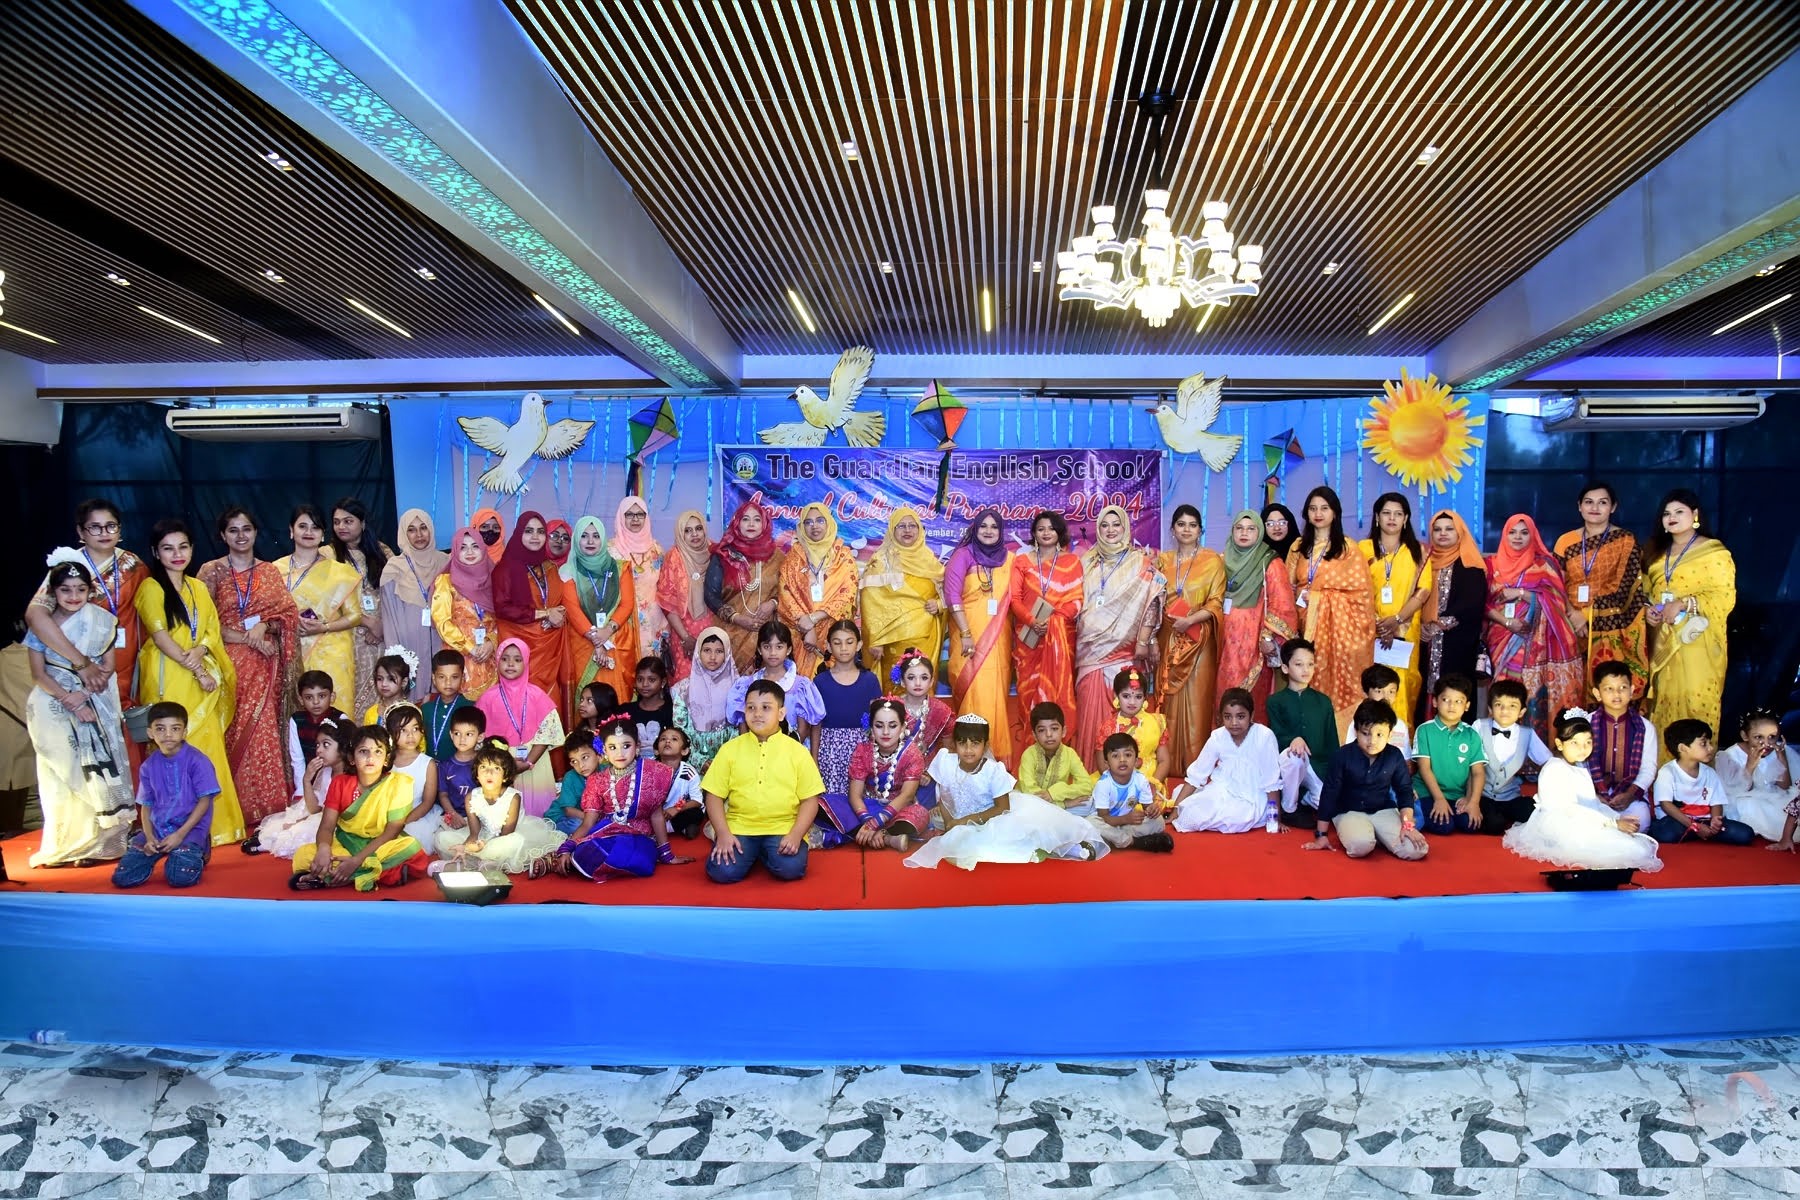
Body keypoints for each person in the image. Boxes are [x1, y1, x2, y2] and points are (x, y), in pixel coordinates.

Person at [136, 519, 244, 845]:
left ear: (192, 549)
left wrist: (201, 651)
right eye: (168, 548)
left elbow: (211, 630)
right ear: (156, 552)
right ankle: (173, 827)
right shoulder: (151, 588)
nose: (177, 554)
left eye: (183, 547)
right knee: (172, 745)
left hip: (199, 674)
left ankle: (217, 827)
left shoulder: (198, 587)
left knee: (207, 743)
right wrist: (197, 669)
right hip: (169, 675)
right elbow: (161, 637)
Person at [23, 502, 150, 777]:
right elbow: (36, 616)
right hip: (73, 668)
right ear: (81, 532)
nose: (104, 533)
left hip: (124, 666)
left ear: (120, 530)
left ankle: (134, 798)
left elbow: (147, 614)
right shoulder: (67, 568)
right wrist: (81, 664)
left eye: (111, 526)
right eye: (95, 527)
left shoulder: (134, 565)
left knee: (126, 730)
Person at [23, 556, 134, 867]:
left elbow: (108, 668)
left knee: (96, 775)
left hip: (95, 703)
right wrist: (68, 698)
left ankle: (101, 845)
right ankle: (66, 845)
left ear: (90, 591)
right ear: (52, 592)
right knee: (61, 774)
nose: (73, 596)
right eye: (66, 590)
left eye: (80, 589)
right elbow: (38, 673)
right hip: (52, 705)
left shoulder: (103, 621)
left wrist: (83, 697)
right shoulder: (42, 626)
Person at [198, 507, 300, 833]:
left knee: (264, 731)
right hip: (227, 665)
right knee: (232, 731)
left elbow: (289, 614)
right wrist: (249, 638)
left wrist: (265, 625)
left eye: (246, 529)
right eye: (233, 530)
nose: (241, 536)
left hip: (266, 666)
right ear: (222, 535)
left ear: (256, 532)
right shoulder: (211, 572)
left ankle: (268, 806)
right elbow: (204, 622)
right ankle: (235, 809)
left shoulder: (268, 571)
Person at [903, 715, 1109, 869]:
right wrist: (951, 823)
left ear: (985, 745)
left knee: (1024, 834)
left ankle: (1070, 847)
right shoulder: (945, 761)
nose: (968, 749)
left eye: (975, 743)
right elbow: (944, 796)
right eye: (962, 743)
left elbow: (1002, 808)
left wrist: (966, 821)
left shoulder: (993, 770)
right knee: (958, 844)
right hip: (958, 819)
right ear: (955, 744)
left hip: (994, 818)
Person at [1503, 709, 1663, 872]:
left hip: (1584, 817)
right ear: (1560, 744)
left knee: (1636, 846)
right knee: (1629, 850)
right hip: (1562, 824)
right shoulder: (1554, 769)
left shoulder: (1579, 765)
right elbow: (1570, 809)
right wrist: (1612, 823)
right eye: (1575, 743)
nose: (1583, 748)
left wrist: (1616, 817)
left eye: (1588, 742)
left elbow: (1592, 803)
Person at [533, 716, 688, 879]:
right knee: (588, 849)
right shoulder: (597, 781)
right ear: (604, 751)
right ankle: (559, 859)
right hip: (606, 834)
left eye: (626, 746)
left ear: (637, 747)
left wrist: (666, 854)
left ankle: (567, 863)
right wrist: (566, 848)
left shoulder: (652, 772)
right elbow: (588, 823)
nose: (619, 753)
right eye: (612, 747)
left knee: (637, 858)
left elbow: (656, 815)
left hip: (640, 837)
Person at [703, 679, 826, 883]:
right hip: (739, 827)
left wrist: (796, 835)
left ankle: (759, 854)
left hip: (783, 827)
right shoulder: (730, 750)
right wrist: (723, 834)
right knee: (722, 872)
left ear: (781, 713)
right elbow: (713, 795)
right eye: (751, 708)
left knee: (790, 869)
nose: (757, 714)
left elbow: (810, 800)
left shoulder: (798, 752)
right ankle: (754, 853)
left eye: (766, 708)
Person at [1073, 504, 1164, 769]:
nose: (1110, 530)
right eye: (1104, 525)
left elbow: (1154, 596)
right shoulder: (1086, 562)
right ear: (1098, 529)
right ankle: (1092, 770)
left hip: (1125, 652)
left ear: (1125, 528)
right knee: (1090, 712)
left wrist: (1146, 640)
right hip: (1089, 652)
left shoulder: (1140, 562)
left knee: (1125, 709)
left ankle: (1124, 773)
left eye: (1116, 525)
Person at [1642, 489, 1735, 740]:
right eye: (1666, 513)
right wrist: (1649, 611)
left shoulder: (1713, 552)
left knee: (1696, 704)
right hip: (1663, 640)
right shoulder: (1655, 552)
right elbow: (1647, 593)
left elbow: (1725, 597)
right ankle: (1665, 764)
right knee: (1663, 704)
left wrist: (1684, 604)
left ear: (1695, 515)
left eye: (1679, 512)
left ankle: (1697, 762)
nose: (1671, 517)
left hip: (1697, 642)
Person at [290, 724, 431, 890]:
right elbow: (327, 826)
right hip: (346, 842)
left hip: (381, 843)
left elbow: (392, 830)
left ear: (387, 758)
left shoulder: (399, 784)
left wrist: (356, 861)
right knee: (302, 855)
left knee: (411, 847)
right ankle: (383, 872)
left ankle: (333, 876)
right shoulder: (340, 783)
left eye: (378, 751)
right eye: (363, 751)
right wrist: (323, 849)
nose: (371, 757)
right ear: (351, 758)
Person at [1485, 513, 1584, 742]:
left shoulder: (1544, 564)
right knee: (1503, 691)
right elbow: (1484, 603)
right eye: (1512, 532)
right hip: (1501, 636)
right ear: (1504, 535)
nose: (1517, 537)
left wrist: (1521, 593)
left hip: (1536, 642)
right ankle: (1501, 743)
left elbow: (1557, 601)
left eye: (1524, 532)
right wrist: (1507, 622)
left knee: (1531, 693)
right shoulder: (1491, 564)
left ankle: (1532, 746)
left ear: (1533, 536)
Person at [1287, 486, 1376, 721]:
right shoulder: (1298, 547)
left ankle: (1340, 730)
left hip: (1340, 633)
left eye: (1324, 508)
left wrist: (1319, 598)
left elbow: (1361, 596)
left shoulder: (1348, 549)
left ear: (1335, 512)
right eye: (1313, 508)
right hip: (1304, 628)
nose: (1318, 513)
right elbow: (1287, 587)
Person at [1553, 482, 1649, 699]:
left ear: (1613, 507)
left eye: (1602, 502)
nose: (1595, 507)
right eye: (1589, 502)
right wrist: (1572, 615)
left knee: (1607, 688)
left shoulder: (1626, 541)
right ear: (1579, 506)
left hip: (1611, 627)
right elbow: (1556, 583)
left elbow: (1624, 587)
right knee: (1570, 692)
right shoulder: (1565, 541)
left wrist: (1586, 615)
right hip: (1568, 624)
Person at [1304, 700, 1428, 861]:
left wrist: (1407, 825)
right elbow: (1329, 794)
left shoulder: (1394, 756)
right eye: (1365, 733)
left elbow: (1404, 791)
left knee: (1417, 850)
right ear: (1356, 731)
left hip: (1383, 810)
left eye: (1379, 735)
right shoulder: (1342, 755)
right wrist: (1321, 835)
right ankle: (1368, 834)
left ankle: (1378, 834)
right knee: (1360, 846)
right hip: (1349, 811)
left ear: (1390, 734)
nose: (1372, 741)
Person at [112, 702, 217, 888]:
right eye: (160, 729)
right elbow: (146, 805)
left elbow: (205, 801)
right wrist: (149, 837)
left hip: (189, 830)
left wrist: (180, 835)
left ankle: (197, 848)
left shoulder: (198, 761)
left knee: (179, 877)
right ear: (150, 733)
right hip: (158, 829)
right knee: (123, 877)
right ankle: (167, 852)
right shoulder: (148, 766)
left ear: (184, 732)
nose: (168, 734)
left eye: (175, 728)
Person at [1154, 504, 1224, 774]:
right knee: (1168, 700)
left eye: (1192, 525)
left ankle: (1197, 767)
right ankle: (1167, 764)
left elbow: (1216, 602)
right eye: (1181, 524)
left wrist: (1191, 620)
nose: (1186, 529)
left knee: (1198, 702)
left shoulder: (1212, 561)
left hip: (1200, 641)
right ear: (1172, 529)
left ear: (1200, 530)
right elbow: (1153, 600)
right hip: (1169, 638)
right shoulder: (1162, 561)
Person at [945, 507, 1019, 763]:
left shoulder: (1010, 560)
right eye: (983, 526)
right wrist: (966, 633)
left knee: (995, 697)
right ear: (975, 529)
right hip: (969, 639)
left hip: (999, 641)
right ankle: (969, 760)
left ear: (1001, 531)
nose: (988, 531)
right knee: (973, 696)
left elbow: (1020, 597)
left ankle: (995, 762)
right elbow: (952, 595)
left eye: (994, 526)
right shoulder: (962, 556)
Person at [275, 505, 363, 705]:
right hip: (288, 650)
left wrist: (324, 627)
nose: (308, 532)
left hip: (331, 651)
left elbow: (355, 615)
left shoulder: (340, 573)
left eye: (315, 527)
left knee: (331, 712)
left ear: (323, 534)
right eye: (302, 526)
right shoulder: (274, 570)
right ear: (291, 530)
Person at [435, 738, 562, 873]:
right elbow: (474, 833)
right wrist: (465, 847)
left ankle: (479, 862)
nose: (488, 773)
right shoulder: (471, 797)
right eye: (483, 767)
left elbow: (506, 834)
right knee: (443, 838)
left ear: (505, 776)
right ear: (477, 775)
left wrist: (483, 845)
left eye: (496, 768)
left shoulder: (513, 797)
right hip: (483, 835)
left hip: (507, 836)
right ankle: (479, 861)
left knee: (515, 841)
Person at [1216, 510, 1297, 721]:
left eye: (1251, 529)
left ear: (1259, 532)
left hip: (1254, 643)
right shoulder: (1221, 560)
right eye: (1239, 528)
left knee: (1251, 700)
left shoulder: (1269, 562)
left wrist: (1268, 637)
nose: (1244, 533)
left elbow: (1282, 603)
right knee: (1222, 695)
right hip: (1223, 641)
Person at [493, 511, 579, 703]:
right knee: (522, 700)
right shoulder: (505, 568)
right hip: (519, 647)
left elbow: (558, 600)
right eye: (529, 531)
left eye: (540, 531)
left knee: (549, 700)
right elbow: (502, 609)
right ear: (519, 533)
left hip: (549, 647)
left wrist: (557, 614)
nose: (535, 536)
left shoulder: (549, 566)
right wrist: (545, 614)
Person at [1170, 687, 1281, 835]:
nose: (1234, 722)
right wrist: (1176, 810)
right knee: (1190, 812)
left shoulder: (1264, 736)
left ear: (1252, 715)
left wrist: (1276, 820)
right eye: (1228, 717)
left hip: (1251, 796)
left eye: (1240, 716)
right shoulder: (1218, 736)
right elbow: (1197, 774)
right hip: (1220, 789)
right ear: (1221, 716)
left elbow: (1271, 781)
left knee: (1237, 819)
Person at [475, 638, 566, 817]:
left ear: (526, 662)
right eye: (505, 659)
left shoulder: (537, 695)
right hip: (500, 765)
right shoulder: (487, 698)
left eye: (517, 659)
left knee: (539, 816)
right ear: (497, 661)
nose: (510, 664)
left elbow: (547, 734)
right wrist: (505, 765)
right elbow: (480, 737)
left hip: (535, 763)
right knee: (505, 816)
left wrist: (528, 762)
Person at [1009, 510, 1084, 725]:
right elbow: (1015, 599)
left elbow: (1077, 600)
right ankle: (1030, 740)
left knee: (1057, 690)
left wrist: (1052, 623)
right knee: (1028, 692)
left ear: (1059, 532)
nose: (1046, 533)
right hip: (1029, 640)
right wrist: (1033, 622)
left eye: (1051, 528)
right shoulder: (1022, 561)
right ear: (1034, 533)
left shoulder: (1072, 562)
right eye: (1041, 529)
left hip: (1061, 639)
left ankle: (1059, 739)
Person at [1359, 493, 1428, 723]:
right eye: (1386, 513)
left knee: (1403, 689)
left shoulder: (1419, 552)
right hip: (1370, 631)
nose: (1392, 518)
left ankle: (1400, 742)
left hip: (1406, 633)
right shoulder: (1363, 549)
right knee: (1372, 686)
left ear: (1405, 519)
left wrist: (1396, 621)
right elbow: (1356, 590)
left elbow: (1423, 592)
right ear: (1377, 517)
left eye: (1398, 514)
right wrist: (1379, 624)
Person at [832, 698, 933, 852]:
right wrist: (867, 820)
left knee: (920, 814)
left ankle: (867, 834)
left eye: (892, 726)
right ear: (871, 728)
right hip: (867, 806)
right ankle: (887, 838)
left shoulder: (911, 753)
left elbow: (907, 795)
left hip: (898, 808)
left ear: (903, 727)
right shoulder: (863, 750)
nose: (885, 732)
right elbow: (855, 794)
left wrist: (877, 822)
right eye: (879, 726)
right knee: (827, 803)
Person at [861, 506, 948, 685]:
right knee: (895, 687)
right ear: (892, 531)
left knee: (922, 686)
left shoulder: (929, 560)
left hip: (926, 638)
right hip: (892, 641)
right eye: (901, 526)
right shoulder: (881, 561)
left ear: (920, 530)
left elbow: (949, 592)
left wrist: (940, 604)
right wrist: (876, 639)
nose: (907, 530)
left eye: (912, 526)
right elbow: (870, 602)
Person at [561, 515, 637, 714]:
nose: (590, 541)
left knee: (616, 694)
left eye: (596, 536)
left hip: (615, 639)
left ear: (603, 539)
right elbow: (572, 609)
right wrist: (597, 640)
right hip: (583, 643)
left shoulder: (620, 568)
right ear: (576, 539)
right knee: (586, 696)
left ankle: (617, 730)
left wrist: (607, 631)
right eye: (584, 536)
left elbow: (627, 604)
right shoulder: (568, 571)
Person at [1418, 511, 1487, 723]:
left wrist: (1438, 625)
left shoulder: (1470, 564)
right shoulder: (1424, 562)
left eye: (1449, 529)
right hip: (1424, 641)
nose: (1443, 533)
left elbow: (1472, 604)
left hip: (1457, 643)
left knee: (1456, 690)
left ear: (1460, 533)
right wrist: (1421, 626)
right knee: (1421, 689)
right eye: (1437, 529)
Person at [778, 501, 858, 676]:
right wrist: (807, 627)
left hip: (835, 633)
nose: (814, 526)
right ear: (802, 527)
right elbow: (786, 593)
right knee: (803, 682)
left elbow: (848, 593)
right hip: (801, 634)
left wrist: (813, 618)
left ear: (829, 523)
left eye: (820, 520)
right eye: (808, 522)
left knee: (833, 682)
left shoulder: (843, 556)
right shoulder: (794, 557)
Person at [329, 499, 393, 717]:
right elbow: (327, 600)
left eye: (348, 521)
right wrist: (367, 622)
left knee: (383, 686)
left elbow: (395, 592)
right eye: (337, 522)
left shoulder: (383, 551)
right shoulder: (328, 555)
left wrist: (382, 625)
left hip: (382, 634)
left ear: (363, 523)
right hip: (348, 634)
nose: (341, 527)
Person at [257, 715, 351, 860]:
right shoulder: (326, 772)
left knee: (299, 833)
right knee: (284, 826)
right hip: (322, 816)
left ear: (343, 748)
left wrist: (304, 821)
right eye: (318, 745)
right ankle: (263, 841)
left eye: (326, 745)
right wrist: (307, 780)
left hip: (337, 823)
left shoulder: (350, 777)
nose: (319, 750)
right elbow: (314, 809)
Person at [378, 509, 449, 701]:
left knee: (442, 693)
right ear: (404, 533)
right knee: (411, 700)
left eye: (423, 528)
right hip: (408, 645)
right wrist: (396, 656)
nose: (419, 534)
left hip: (441, 640)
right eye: (411, 529)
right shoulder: (394, 568)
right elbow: (389, 616)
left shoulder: (446, 563)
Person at [707, 499, 785, 671]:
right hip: (730, 633)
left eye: (757, 519)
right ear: (737, 523)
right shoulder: (724, 555)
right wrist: (737, 618)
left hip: (767, 637)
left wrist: (773, 604)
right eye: (745, 519)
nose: (751, 524)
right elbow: (710, 595)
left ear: (764, 524)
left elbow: (788, 591)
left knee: (765, 685)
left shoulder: (777, 557)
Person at [1650, 719, 1754, 845]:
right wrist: (1694, 826)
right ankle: (1696, 832)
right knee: (1667, 833)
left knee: (1745, 834)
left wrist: (1715, 821)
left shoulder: (1710, 773)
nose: (1711, 748)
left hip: (1704, 820)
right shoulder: (1667, 772)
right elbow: (1666, 805)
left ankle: (1700, 833)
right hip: (1678, 820)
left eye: (1710, 742)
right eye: (1703, 744)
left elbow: (1716, 803)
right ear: (1683, 748)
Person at [1268, 639, 1335, 827]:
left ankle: (1304, 798)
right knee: (1296, 757)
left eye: (1310, 664)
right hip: (1289, 764)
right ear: (1285, 668)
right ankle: (1289, 809)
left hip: (1318, 765)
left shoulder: (1323, 701)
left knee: (1331, 808)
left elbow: (1331, 740)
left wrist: (1335, 772)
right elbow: (1275, 734)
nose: (1306, 670)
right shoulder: (1275, 701)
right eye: (1299, 664)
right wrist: (1293, 739)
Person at [1585, 661, 1658, 833]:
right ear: (1597, 693)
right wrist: (1595, 795)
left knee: (1640, 823)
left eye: (1623, 688)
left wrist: (1630, 795)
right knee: (1583, 818)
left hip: (1629, 794)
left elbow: (1649, 769)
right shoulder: (1586, 724)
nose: (1616, 694)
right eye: (1609, 689)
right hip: (1594, 793)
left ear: (1632, 691)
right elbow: (1581, 765)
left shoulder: (1645, 727)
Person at [1473, 679, 1552, 834]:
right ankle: (1497, 817)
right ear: (1490, 708)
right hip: (1483, 795)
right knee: (1494, 825)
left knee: (1536, 813)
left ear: (1522, 712)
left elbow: (1548, 761)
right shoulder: (1479, 726)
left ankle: (1505, 814)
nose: (1505, 710)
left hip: (1511, 796)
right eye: (1499, 705)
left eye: (1512, 706)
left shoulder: (1527, 734)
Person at [813, 620, 881, 798]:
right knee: (833, 802)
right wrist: (814, 759)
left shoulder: (870, 680)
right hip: (829, 752)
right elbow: (816, 725)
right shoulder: (820, 682)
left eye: (849, 642)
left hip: (862, 749)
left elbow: (877, 721)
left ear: (859, 645)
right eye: (837, 643)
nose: (843, 648)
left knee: (861, 799)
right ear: (828, 646)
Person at [726, 621, 827, 741]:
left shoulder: (800, 686)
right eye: (767, 647)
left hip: (791, 748)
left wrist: (782, 750)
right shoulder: (746, 686)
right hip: (756, 749)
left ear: (788, 649)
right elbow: (743, 727)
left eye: (779, 647)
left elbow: (803, 729)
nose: (773, 653)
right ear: (759, 649)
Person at [1413, 673, 1486, 836]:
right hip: (1428, 792)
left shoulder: (1471, 734)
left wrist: (1472, 801)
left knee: (1470, 825)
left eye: (1459, 701)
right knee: (1444, 826)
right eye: (1446, 699)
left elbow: (1477, 772)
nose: (1452, 705)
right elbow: (1424, 768)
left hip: (1456, 795)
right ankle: (1419, 806)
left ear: (1467, 705)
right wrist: (1439, 799)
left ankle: (1450, 809)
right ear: (1435, 702)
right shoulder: (1425, 730)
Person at [431, 527, 499, 699]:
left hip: (490, 655)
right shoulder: (446, 581)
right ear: (455, 550)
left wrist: (491, 643)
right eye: (463, 547)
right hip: (458, 658)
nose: (469, 552)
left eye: (475, 546)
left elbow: (503, 618)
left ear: (483, 548)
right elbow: (442, 622)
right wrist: (470, 648)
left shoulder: (495, 577)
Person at [1716, 709, 1800, 842]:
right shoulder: (1729, 756)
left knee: (1789, 806)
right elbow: (1737, 791)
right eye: (1758, 737)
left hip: (1774, 796)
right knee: (1750, 805)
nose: (1766, 743)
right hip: (1744, 797)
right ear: (1745, 736)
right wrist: (1750, 765)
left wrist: (1782, 758)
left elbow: (1785, 788)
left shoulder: (1778, 750)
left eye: (1772, 737)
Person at [1087, 733, 1174, 852]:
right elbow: (1103, 817)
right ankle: (1135, 842)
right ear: (1107, 763)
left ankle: (1115, 839)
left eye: (1128, 755)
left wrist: (1152, 810)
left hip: (1125, 826)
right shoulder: (1103, 784)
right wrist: (1125, 819)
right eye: (1115, 756)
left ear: (1136, 761)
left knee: (1158, 821)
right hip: (1107, 823)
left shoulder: (1140, 779)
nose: (1122, 760)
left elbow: (1147, 807)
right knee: (1091, 823)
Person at [658, 510, 715, 683]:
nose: (694, 534)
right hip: (684, 630)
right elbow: (667, 601)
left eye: (698, 528)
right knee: (686, 683)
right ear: (680, 534)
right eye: (687, 530)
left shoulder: (715, 552)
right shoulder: (674, 557)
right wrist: (685, 638)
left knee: (714, 680)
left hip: (714, 627)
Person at [611, 495, 667, 665]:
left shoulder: (657, 549)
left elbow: (665, 586)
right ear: (621, 517)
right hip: (623, 620)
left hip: (654, 621)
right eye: (629, 514)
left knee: (651, 670)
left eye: (640, 514)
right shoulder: (611, 551)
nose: (635, 519)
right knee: (625, 668)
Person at [675, 626, 738, 776]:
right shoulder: (684, 689)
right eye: (707, 650)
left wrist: (724, 760)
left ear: (728, 653)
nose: (713, 657)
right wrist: (698, 760)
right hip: (692, 761)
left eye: (719, 651)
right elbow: (680, 727)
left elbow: (740, 725)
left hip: (729, 760)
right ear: (698, 652)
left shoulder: (737, 687)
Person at [1017, 701, 1094, 812]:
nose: (1049, 734)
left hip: (1056, 803)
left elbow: (1087, 785)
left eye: (1054, 728)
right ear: (1034, 735)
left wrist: (1054, 792)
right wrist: (1063, 804)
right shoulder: (1029, 755)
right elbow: (1029, 791)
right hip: (1031, 806)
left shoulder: (1070, 754)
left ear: (1063, 731)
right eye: (1042, 730)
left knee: (1089, 802)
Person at [1107, 666, 1170, 800]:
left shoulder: (1157, 722)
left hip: (1150, 780)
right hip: (1116, 781)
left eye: (1138, 696)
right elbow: (1103, 764)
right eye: (1126, 696)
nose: (1132, 702)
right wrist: (1120, 786)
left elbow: (1164, 760)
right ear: (1116, 695)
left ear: (1145, 698)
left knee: (1150, 807)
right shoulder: (1108, 727)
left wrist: (1153, 783)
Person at [287, 671, 349, 803]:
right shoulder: (297, 720)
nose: (315, 702)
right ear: (300, 699)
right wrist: (302, 790)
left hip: (335, 780)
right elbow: (297, 759)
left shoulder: (340, 718)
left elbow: (344, 757)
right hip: (308, 781)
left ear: (332, 696)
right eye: (309, 697)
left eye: (321, 696)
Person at [388, 705, 442, 850]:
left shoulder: (427, 764)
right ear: (392, 733)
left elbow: (427, 802)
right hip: (387, 815)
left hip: (415, 816)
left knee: (408, 843)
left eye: (415, 729)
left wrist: (404, 822)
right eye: (403, 730)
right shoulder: (386, 760)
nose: (410, 735)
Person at [435, 707, 486, 833]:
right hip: (455, 817)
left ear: (480, 737)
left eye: (469, 734)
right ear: (451, 735)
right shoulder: (444, 766)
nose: (462, 739)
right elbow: (443, 795)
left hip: (482, 818)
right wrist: (452, 814)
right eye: (457, 733)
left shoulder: (485, 763)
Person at [1342, 665, 1410, 756]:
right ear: (1365, 693)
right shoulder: (1360, 724)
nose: (1386, 697)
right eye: (1379, 691)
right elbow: (1350, 755)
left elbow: (1405, 758)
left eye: (1391, 692)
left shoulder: (1400, 725)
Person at [421, 649, 475, 760]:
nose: (448, 683)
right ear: (434, 679)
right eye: (442, 677)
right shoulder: (426, 709)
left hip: (459, 768)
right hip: (429, 767)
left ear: (463, 678)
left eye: (454, 677)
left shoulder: (471, 708)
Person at [548, 730, 603, 836]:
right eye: (574, 761)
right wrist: (593, 821)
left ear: (599, 755)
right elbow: (569, 810)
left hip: (591, 817)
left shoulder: (606, 772)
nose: (581, 765)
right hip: (564, 817)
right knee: (578, 825)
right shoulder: (570, 777)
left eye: (585, 757)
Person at [656, 727, 707, 839]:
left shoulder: (689, 772)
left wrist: (676, 809)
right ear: (656, 750)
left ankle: (662, 828)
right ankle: (677, 828)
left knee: (696, 813)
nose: (667, 741)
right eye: (663, 739)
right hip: (658, 813)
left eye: (674, 739)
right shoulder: (650, 769)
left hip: (680, 810)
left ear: (684, 751)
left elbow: (697, 800)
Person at [623, 656, 675, 751]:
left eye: (651, 680)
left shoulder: (673, 712)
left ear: (663, 682)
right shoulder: (625, 711)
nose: (645, 684)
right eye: (640, 679)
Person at [362, 649, 418, 727]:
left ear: (404, 682)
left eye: (391, 679)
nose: (384, 684)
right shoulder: (371, 713)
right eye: (379, 679)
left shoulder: (412, 713)